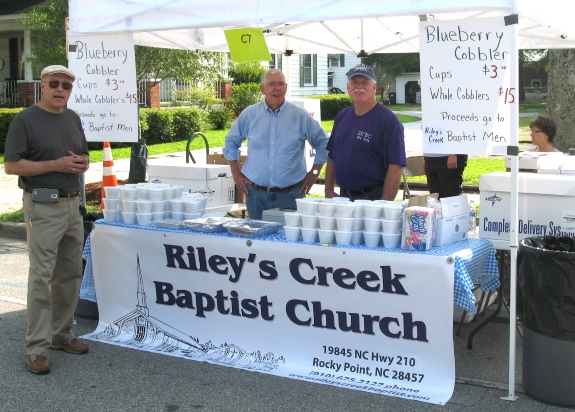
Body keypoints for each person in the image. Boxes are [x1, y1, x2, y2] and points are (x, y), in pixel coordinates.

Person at [4, 65, 90, 374]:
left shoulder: (72, 118)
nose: (60, 89)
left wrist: (82, 163)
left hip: (71, 205)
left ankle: (61, 335)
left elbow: (82, 156)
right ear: (42, 85)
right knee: (41, 276)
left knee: (68, 273)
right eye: (54, 83)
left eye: (66, 85)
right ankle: (36, 348)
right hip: (43, 205)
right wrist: (55, 164)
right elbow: (11, 166)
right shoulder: (25, 120)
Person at [223, 68, 329, 219]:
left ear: (286, 88)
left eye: (281, 84)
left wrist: (314, 173)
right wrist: (236, 173)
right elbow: (230, 142)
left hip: (290, 195)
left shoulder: (300, 115)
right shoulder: (250, 114)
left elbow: (324, 143)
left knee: (289, 241)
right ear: (262, 89)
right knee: (257, 241)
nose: (277, 88)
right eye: (272, 84)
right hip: (256, 195)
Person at [324, 64, 406, 201]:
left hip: (373, 197)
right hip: (344, 198)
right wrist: (328, 191)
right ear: (348, 87)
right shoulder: (342, 116)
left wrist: (384, 204)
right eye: (354, 82)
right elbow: (332, 156)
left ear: (374, 87)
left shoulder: (388, 121)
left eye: (365, 82)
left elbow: (396, 166)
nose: (359, 86)